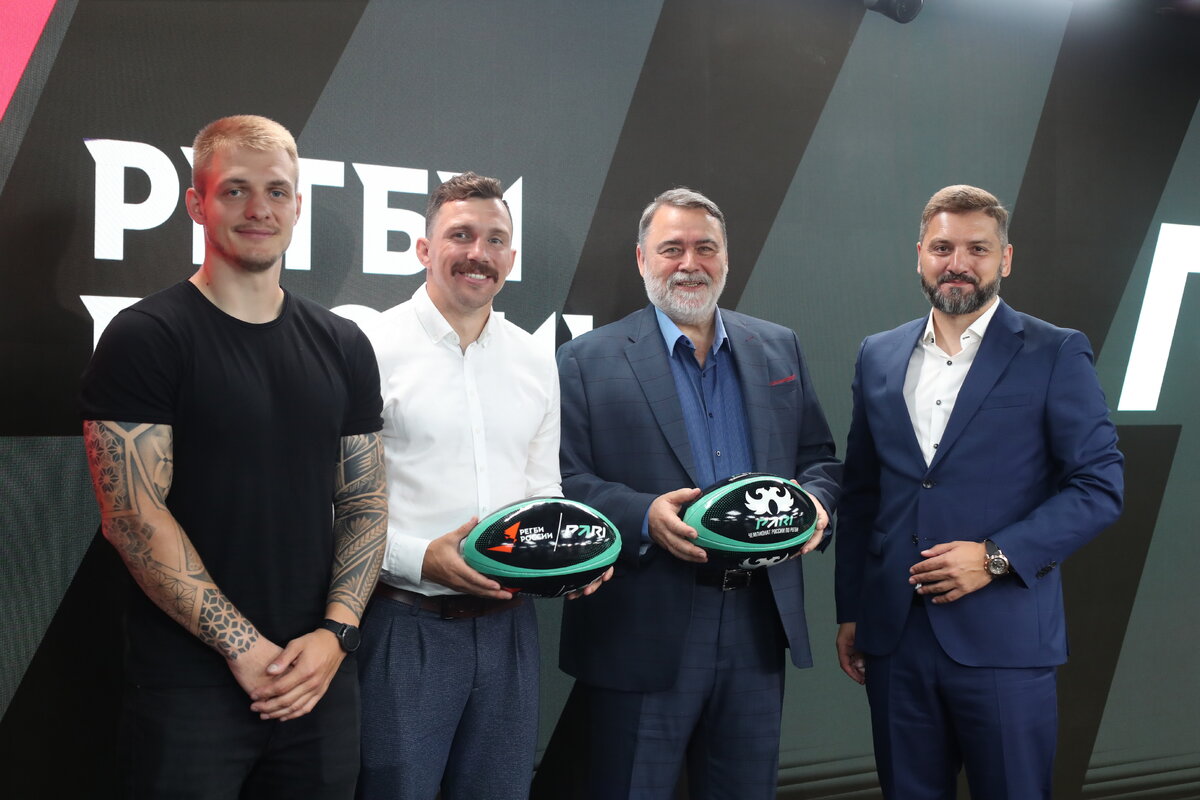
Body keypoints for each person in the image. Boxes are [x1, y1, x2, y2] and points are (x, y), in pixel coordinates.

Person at [80, 115, 387, 798]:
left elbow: (364, 503)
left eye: (277, 192)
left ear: (298, 206)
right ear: (197, 204)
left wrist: (336, 635)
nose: (259, 209)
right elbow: (131, 517)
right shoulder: (146, 336)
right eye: (235, 190)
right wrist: (243, 648)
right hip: (189, 686)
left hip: (318, 678)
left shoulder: (343, 343)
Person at [544, 187, 841, 799]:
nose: (690, 264)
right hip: (640, 627)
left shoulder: (778, 347)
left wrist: (815, 505)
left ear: (726, 258)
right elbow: (563, 481)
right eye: (671, 249)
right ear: (641, 259)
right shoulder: (584, 360)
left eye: (705, 248)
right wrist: (643, 516)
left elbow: (819, 459)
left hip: (758, 624)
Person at [834, 185, 1124, 799]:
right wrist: (853, 610)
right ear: (919, 254)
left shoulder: (1054, 351)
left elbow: (1099, 486)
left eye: (977, 248)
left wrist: (995, 557)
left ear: (1005, 259)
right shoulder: (878, 355)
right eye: (942, 247)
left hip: (1005, 639)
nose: (958, 263)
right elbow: (861, 493)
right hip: (895, 639)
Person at [356, 172, 604, 800]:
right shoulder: (367, 348)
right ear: (424, 249)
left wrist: (572, 555)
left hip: (509, 631)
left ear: (511, 259)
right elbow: (335, 503)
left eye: (495, 240)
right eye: (460, 235)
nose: (478, 253)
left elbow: (543, 491)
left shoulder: (534, 358)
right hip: (402, 624)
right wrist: (420, 558)